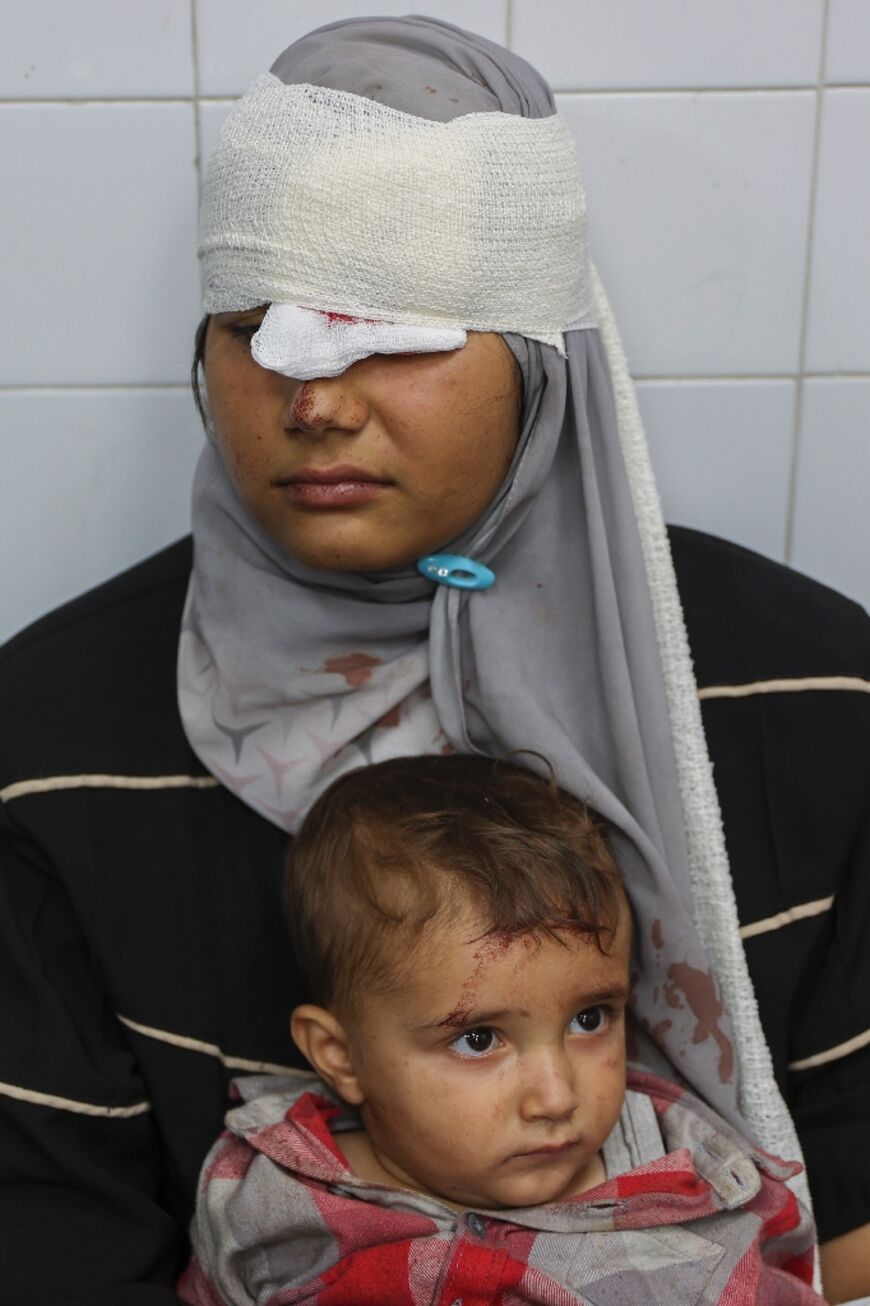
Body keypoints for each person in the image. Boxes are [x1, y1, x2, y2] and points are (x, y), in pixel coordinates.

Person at [0, 15, 867, 1305]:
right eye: (258, 327)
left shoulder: (809, 701)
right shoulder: (46, 748)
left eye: (393, 331)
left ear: (539, 360)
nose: (319, 400)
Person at [179, 754, 821, 1304]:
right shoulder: (259, 1199)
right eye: (479, 1038)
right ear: (339, 1055)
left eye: (589, 1019)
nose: (557, 1097)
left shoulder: (691, 1180)